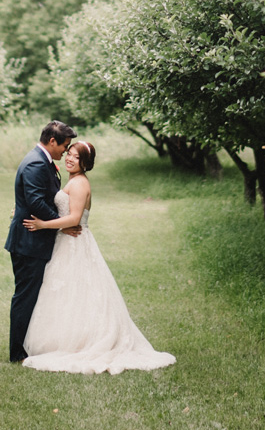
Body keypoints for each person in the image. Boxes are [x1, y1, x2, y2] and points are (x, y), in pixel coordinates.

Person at [19, 140, 176, 374]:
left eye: (77, 157)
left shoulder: (80, 184)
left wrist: (43, 225)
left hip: (76, 243)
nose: (70, 158)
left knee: (78, 291)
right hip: (65, 242)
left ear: (86, 163)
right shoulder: (72, 180)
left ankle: (82, 341)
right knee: (63, 291)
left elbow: (74, 219)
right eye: (69, 154)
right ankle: (61, 338)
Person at [5, 120, 77, 362]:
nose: (65, 152)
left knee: (31, 294)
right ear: (52, 141)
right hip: (29, 241)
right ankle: (17, 353)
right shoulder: (36, 163)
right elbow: (35, 202)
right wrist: (61, 222)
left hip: (33, 240)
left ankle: (27, 344)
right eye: (64, 146)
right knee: (25, 296)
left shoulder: (41, 160)